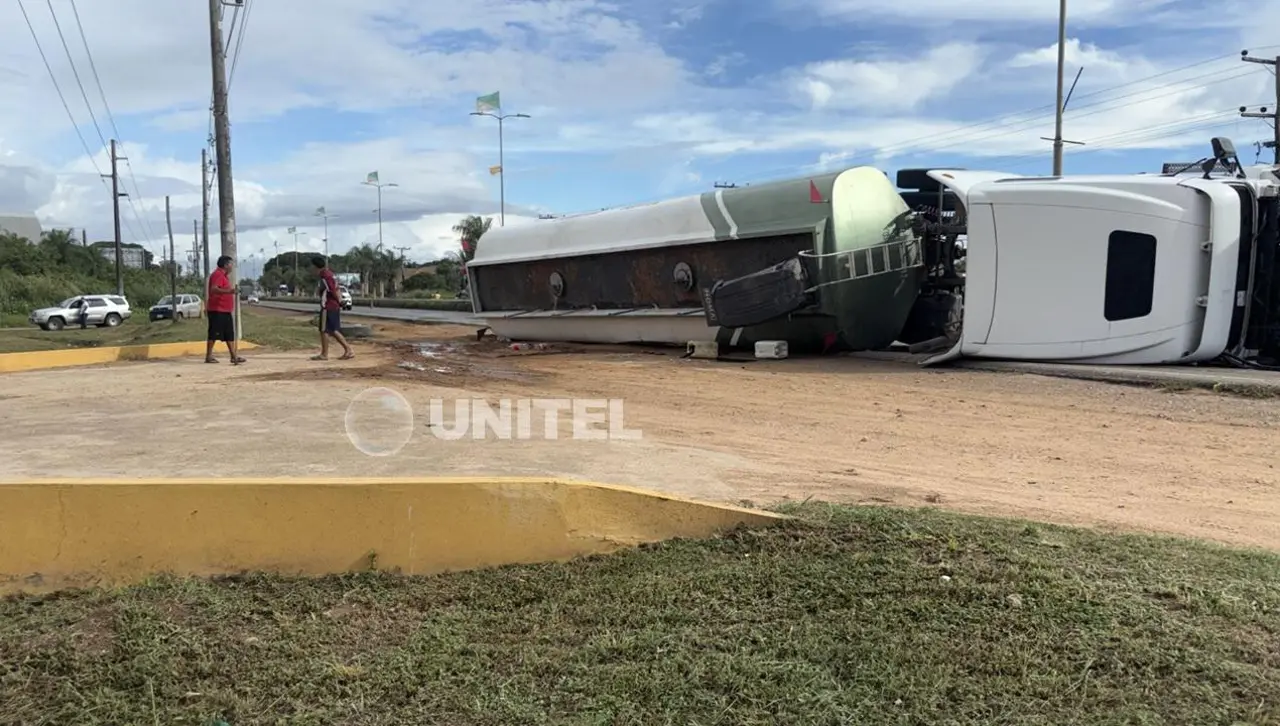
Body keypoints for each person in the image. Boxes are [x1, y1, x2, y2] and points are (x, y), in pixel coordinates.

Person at [311, 255, 354, 361]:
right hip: (332, 306)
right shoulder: (330, 274)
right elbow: (336, 288)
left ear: (316, 267)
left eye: (312, 267)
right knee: (328, 330)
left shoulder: (325, 276)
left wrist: (339, 301)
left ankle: (345, 350)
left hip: (328, 306)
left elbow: (333, 290)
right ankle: (328, 353)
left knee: (327, 329)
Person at [206, 255, 246, 364]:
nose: (232, 267)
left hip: (225, 310)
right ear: (225, 265)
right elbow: (214, 289)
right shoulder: (218, 275)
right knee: (214, 333)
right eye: (231, 264)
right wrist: (230, 291)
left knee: (229, 333)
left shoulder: (224, 276)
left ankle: (233, 356)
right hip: (217, 309)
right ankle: (208, 356)